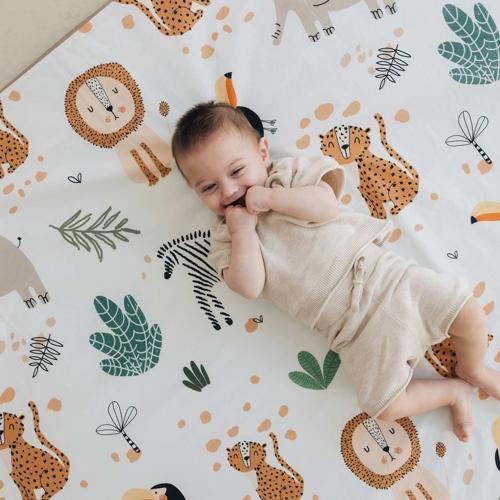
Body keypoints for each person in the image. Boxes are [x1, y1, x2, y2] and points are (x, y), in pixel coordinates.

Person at [171, 100, 500, 442]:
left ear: (262, 153)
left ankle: (473, 368)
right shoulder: (226, 238)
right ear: (195, 192)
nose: (228, 191)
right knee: (384, 406)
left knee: (468, 312)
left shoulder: (286, 176)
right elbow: (249, 286)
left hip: (388, 280)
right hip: (353, 331)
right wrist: (242, 231)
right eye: (209, 187)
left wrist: (270, 199)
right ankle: (452, 392)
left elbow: (326, 205)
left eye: (237, 171)